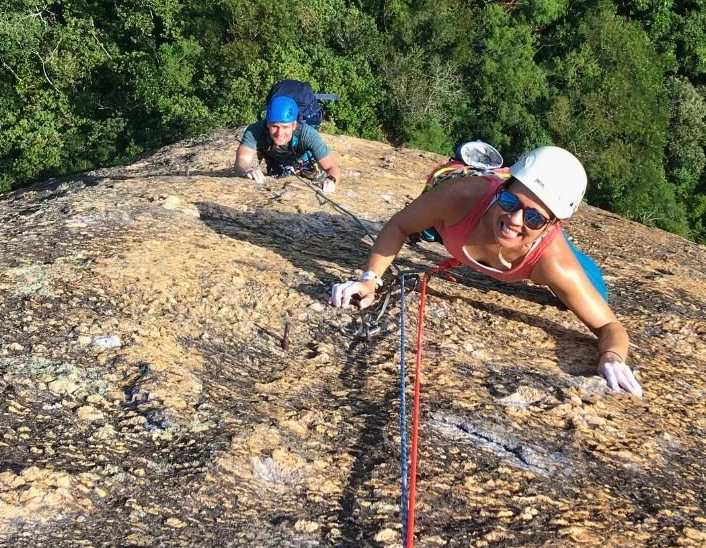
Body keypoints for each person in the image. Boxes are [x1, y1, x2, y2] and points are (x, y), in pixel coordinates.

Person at [330, 146, 642, 396]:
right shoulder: (459, 197)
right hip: (468, 208)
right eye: (510, 200)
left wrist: (612, 358)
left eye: (534, 218)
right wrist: (369, 279)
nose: (516, 220)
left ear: (553, 224)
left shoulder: (553, 261)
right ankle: (474, 175)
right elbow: (399, 224)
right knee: (426, 222)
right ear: (501, 187)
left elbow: (609, 327)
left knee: (593, 292)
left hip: (546, 254)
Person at [235, 95, 341, 194]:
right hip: (275, 165)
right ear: (267, 123)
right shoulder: (255, 131)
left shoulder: (307, 135)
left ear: (294, 125)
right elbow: (241, 160)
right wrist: (247, 170)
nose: (279, 133)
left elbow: (332, 167)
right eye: (275, 126)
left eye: (285, 127)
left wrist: (331, 180)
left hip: (304, 165)